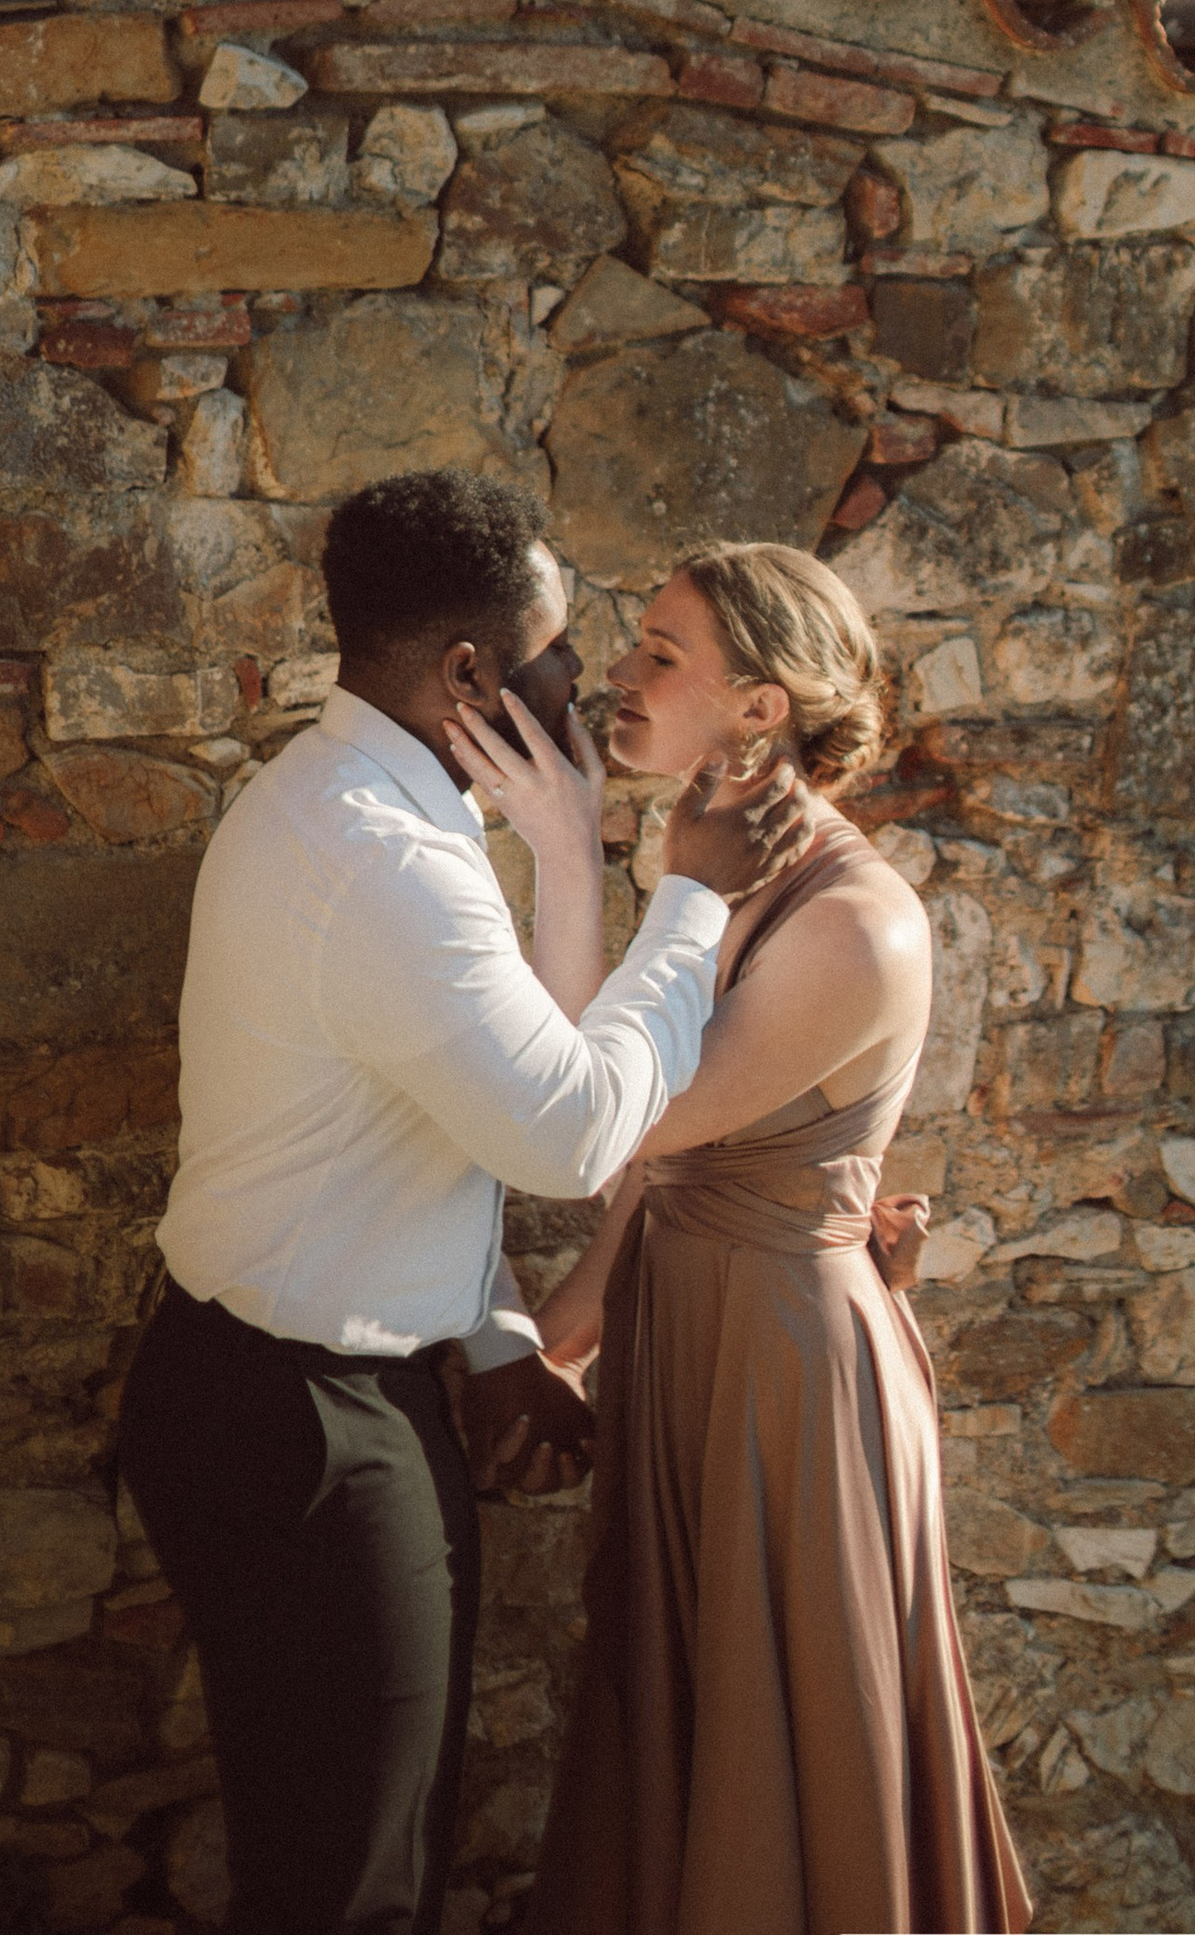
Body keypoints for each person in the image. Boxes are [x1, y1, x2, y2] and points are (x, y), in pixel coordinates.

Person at [117, 469, 807, 1935]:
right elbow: (566, 1134)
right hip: (302, 1428)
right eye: (564, 649)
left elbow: (493, 1092)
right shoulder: (382, 861)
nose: (593, 677)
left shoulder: (364, 805)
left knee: (355, 1859)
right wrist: (689, 898)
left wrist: (489, 1332)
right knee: (351, 1891)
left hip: (295, 1383)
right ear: (473, 673)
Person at [477, 541, 1031, 1935]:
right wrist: (559, 1342)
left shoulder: (855, 924)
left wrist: (574, 854)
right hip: (692, 1336)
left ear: (764, 709)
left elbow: (636, 1123)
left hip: (790, 1382)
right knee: (681, 1715)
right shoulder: (721, 882)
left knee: (787, 1736)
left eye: (662, 653)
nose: (619, 669)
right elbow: (670, 1184)